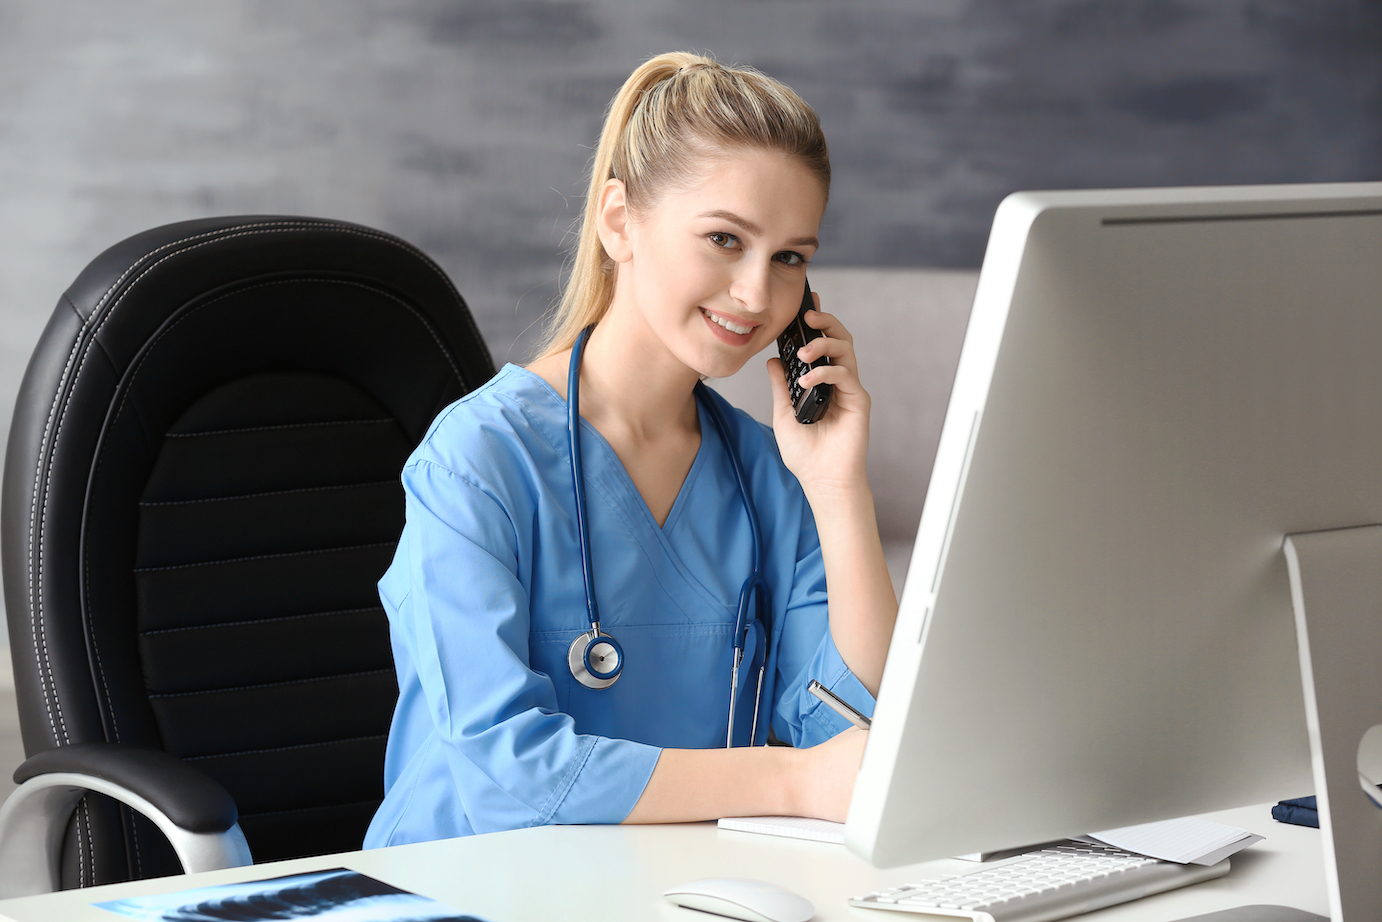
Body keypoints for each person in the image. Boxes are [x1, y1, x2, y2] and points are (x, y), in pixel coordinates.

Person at [364, 51, 898, 847]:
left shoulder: (767, 471)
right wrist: (793, 781)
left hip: (676, 885)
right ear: (620, 221)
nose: (757, 294)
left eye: (790, 257)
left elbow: (859, 731)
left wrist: (838, 487)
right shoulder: (478, 461)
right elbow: (512, 776)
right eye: (724, 238)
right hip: (469, 886)